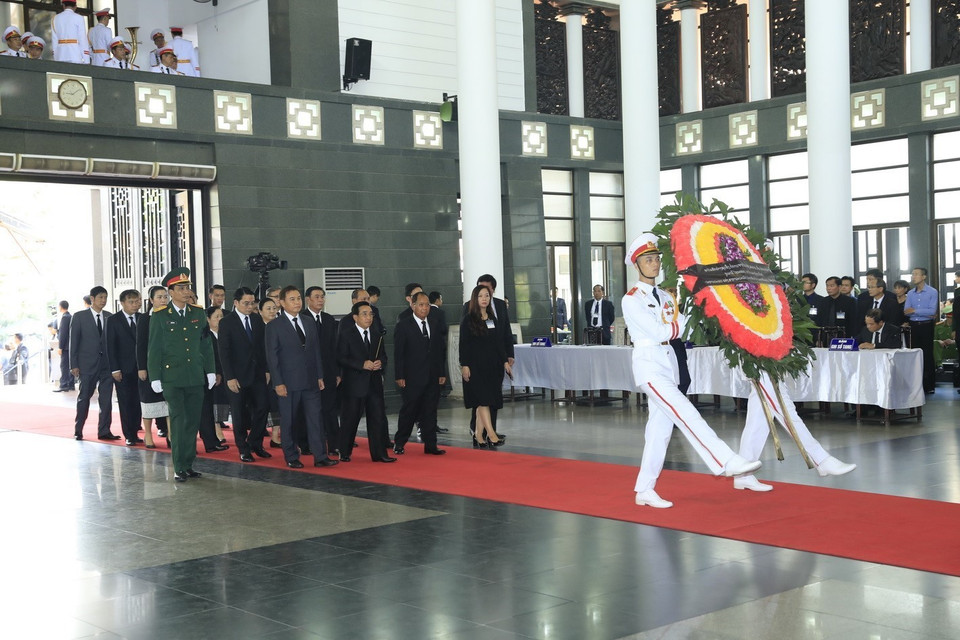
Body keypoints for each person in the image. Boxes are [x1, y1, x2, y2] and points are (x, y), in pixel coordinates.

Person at [621, 233, 761, 509]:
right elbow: (662, 331)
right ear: (636, 265)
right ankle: (725, 460)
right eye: (648, 260)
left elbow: (683, 324)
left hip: (669, 363)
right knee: (685, 412)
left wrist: (678, 322)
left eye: (656, 259)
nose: (654, 264)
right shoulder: (632, 299)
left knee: (659, 431)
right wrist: (676, 325)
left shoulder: (665, 296)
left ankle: (645, 489)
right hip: (649, 365)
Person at [147, 268, 216, 482]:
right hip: (172, 378)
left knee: (192, 422)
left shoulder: (197, 313)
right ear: (171, 292)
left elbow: (206, 345)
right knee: (177, 422)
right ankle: (178, 466)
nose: (187, 292)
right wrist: (155, 376)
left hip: (194, 376)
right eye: (182, 288)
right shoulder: (160, 316)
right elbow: (154, 348)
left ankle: (188, 464)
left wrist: (210, 370)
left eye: (188, 288)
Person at [735, 373, 857, 492]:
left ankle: (743, 472)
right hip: (761, 364)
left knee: (759, 417)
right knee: (785, 409)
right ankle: (821, 459)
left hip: (765, 364)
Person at [265, 286, 338, 468]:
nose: (297, 302)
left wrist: (319, 375)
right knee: (289, 421)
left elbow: (315, 351)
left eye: (298, 298)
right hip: (288, 383)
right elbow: (272, 357)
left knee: (316, 419)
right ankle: (291, 456)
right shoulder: (274, 326)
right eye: (292, 299)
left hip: (311, 380)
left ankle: (320, 456)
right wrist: (278, 383)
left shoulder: (308, 321)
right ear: (282, 303)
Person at [338, 301, 395, 462]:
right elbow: (341, 357)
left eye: (371, 314)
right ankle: (344, 451)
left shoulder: (377, 334)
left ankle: (379, 454)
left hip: (374, 383)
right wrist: (361, 364)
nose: (368, 317)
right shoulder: (346, 334)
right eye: (364, 314)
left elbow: (383, 356)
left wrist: (380, 363)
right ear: (355, 317)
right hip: (354, 384)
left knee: (377, 418)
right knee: (350, 419)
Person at [219, 287, 270, 463]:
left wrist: (266, 370)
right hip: (237, 376)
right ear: (236, 303)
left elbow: (263, 347)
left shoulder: (257, 319)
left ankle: (255, 442)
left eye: (252, 303)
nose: (250, 306)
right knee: (239, 413)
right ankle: (243, 448)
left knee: (263, 407)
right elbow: (224, 352)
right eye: (246, 303)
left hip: (257, 374)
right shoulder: (227, 322)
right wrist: (229, 377)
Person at [461, 274, 514, 441]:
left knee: (488, 400)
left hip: (492, 365)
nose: (484, 299)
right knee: (483, 400)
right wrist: (464, 364)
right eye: (480, 296)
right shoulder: (468, 319)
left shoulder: (492, 319)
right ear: (475, 298)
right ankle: (491, 434)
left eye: (487, 295)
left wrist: (505, 361)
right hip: (475, 366)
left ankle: (479, 435)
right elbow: (464, 344)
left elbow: (499, 341)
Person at [393, 291, 447, 455]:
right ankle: (399, 443)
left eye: (427, 305)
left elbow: (440, 351)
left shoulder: (435, 323)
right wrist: (399, 375)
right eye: (421, 305)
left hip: (432, 375)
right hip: (412, 377)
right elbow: (399, 353)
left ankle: (431, 445)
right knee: (409, 411)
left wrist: (441, 372)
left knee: (430, 411)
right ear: (413, 305)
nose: (424, 308)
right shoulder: (403, 325)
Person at [70, 286, 117, 441]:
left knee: (106, 400)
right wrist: (73, 364)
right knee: (84, 398)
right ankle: (78, 430)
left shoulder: (109, 316)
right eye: (100, 297)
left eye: (105, 297)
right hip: (87, 365)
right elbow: (74, 342)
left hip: (107, 365)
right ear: (92, 299)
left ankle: (104, 431)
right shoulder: (79, 317)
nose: (103, 300)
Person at [301, 286, 341, 455]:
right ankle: (306, 444)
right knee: (308, 410)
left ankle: (334, 444)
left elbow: (334, 348)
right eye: (317, 296)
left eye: (322, 297)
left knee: (330, 409)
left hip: (329, 372)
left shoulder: (329, 319)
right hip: (308, 373)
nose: (320, 300)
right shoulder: (301, 318)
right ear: (308, 299)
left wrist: (337, 372)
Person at [106, 289, 143, 446]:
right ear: (122, 303)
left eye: (137, 301)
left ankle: (136, 430)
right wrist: (115, 369)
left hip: (141, 368)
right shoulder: (113, 320)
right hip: (122, 368)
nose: (135, 304)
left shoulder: (142, 318)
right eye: (131, 302)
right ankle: (129, 434)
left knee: (138, 401)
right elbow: (110, 346)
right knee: (126, 401)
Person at [137, 286, 169, 449]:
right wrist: (142, 367)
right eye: (159, 297)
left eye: (165, 297)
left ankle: (171, 435)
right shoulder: (145, 318)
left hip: (169, 366)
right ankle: (148, 434)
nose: (163, 300)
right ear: (151, 300)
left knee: (169, 401)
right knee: (149, 401)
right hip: (150, 366)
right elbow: (141, 344)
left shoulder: (171, 315)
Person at [198, 306, 231, 454]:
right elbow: (208, 356)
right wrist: (215, 372)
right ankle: (209, 441)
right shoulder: (205, 335)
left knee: (211, 411)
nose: (220, 319)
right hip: (207, 376)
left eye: (221, 316)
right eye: (216, 317)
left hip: (224, 376)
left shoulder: (225, 333)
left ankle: (212, 441)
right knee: (205, 410)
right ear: (208, 319)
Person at [904, 267, 938, 394]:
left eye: (916, 274)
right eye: (912, 274)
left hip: (926, 326)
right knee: (914, 354)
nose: (913, 277)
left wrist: (915, 310)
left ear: (924, 277)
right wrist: (922, 312)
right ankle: (916, 384)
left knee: (927, 354)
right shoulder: (910, 293)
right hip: (913, 326)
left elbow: (932, 311)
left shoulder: (932, 292)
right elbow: (906, 311)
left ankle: (929, 385)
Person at [258, 297, 282, 446]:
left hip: (278, 371)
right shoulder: (257, 328)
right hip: (261, 373)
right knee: (261, 406)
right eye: (268, 309)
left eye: (274, 308)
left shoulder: (280, 326)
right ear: (260, 311)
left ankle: (275, 436)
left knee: (276, 404)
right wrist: (266, 370)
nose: (272, 311)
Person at [54, 300, 75, 391]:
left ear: (60, 307)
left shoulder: (65, 317)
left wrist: (60, 347)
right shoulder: (71, 316)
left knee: (64, 366)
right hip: (70, 346)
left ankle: (64, 384)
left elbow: (63, 333)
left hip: (65, 347)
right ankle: (71, 384)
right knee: (70, 365)